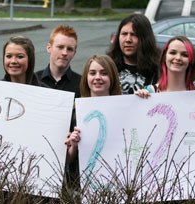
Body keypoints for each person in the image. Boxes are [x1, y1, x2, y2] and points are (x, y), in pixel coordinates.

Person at [63, 54, 121, 201]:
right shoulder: (76, 112)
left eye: (104, 73)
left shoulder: (125, 108)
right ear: (86, 77)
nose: (98, 77)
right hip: (84, 188)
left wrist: (143, 98)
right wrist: (74, 145)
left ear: (112, 77)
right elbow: (68, 160)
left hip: (119, 184)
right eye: (92, 73)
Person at [107, 13, 160, 94]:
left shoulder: (160, 69)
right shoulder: (107, 66)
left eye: (134, 34)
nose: (128, 39)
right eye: (124, 34)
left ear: (145, 38)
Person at [35, 25, 81, 97]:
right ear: (49, 48)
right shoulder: (34, 80)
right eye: (60, 47)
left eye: (70, 49)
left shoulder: (82, 84)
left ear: (74, 53)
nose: (64, 53)